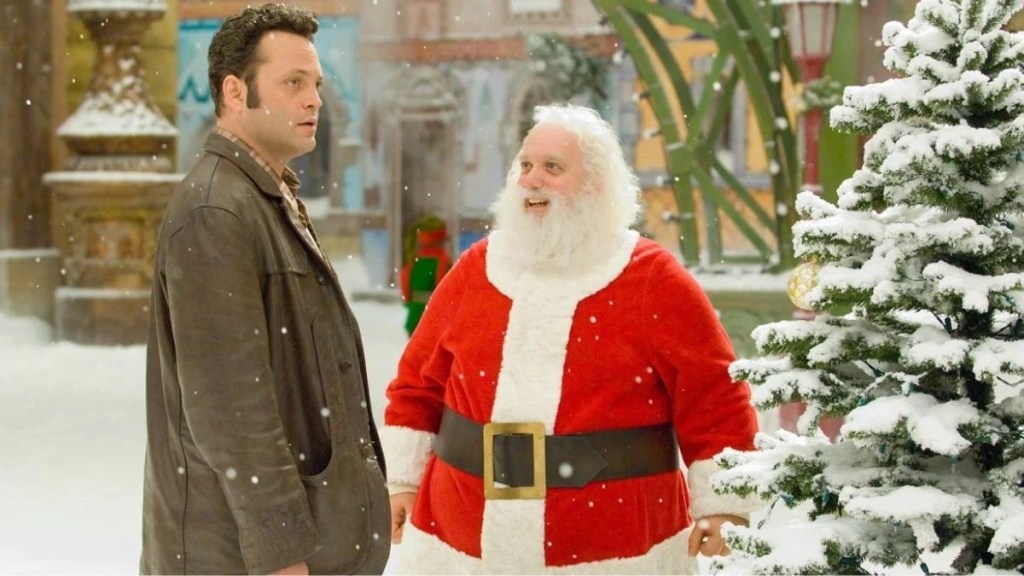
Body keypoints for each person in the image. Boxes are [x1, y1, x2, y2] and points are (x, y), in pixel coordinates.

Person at [382, 103, 760, 574]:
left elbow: (716, 398)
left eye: (552, 167)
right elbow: (417, 384)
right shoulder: (476, 268)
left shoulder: (652, 278)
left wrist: (724, 505)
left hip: (613, 551)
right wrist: (402, 480)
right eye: (525, 165)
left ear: (596, 184)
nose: (532, 179)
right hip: (460, 548)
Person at [140, 5, 390, 574]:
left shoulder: (262, 196)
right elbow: (230, 406)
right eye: (293, 83)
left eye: (316, 84)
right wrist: (280, 552)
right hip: (236, 558)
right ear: (236, 91)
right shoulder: (215, 210)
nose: (314, 100)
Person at [399, 217, 452, 336]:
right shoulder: (443, 262)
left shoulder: (412, 261)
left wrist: (413, 304)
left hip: (414, 318)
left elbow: (406, 292)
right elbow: (446, 292)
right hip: (435, 320)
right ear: (440, 240)